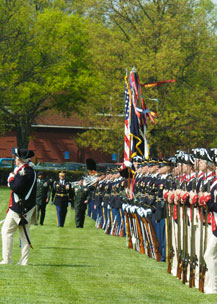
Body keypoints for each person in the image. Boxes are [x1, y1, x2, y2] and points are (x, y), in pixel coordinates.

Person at [0, 148, 37, 265]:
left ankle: (7, 260)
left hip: (20, 208)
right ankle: (23, 261)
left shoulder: (25, 172)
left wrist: (10, 178)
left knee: (7, 231)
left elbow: (16, 188)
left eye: (16, 158)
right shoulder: (28, 170)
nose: (15, 160)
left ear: (20, 159)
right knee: (24, 234)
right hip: (25, 207)